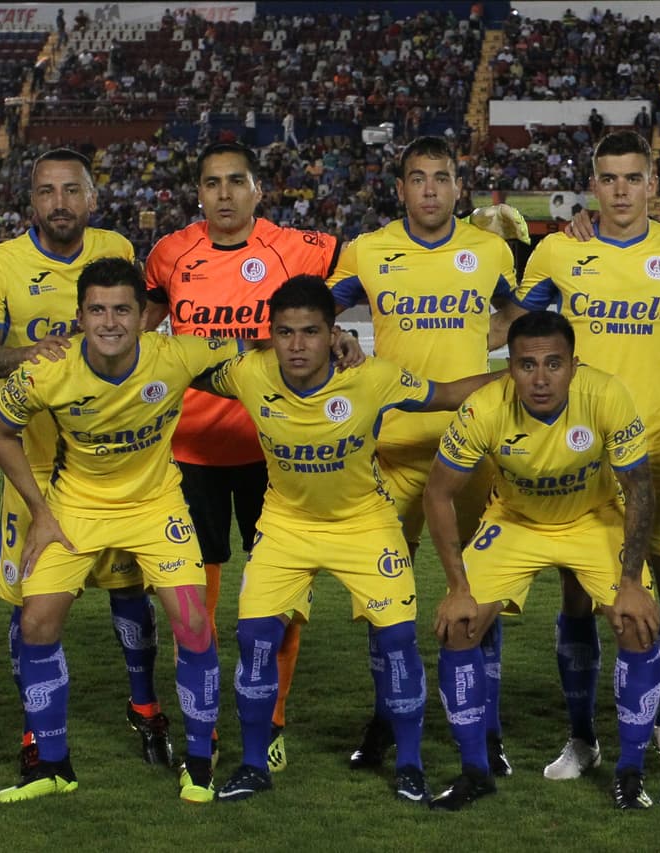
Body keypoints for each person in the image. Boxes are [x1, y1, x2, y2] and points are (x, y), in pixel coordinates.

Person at [196, 275, 500, 803]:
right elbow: (186, 366)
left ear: (333, 332)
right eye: (285, 332)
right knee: (254, 640)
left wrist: (517, 373)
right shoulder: (249, 372)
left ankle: (408, 765)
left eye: (310, 332)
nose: (296, 345)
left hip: (363, 524)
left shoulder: (372, 378)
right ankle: (252, 764)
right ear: (271, 334)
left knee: (398, 643)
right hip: (287, 525)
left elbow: (448, 395)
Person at [492, 130, 660, 779]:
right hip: (579, 452)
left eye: (633, 177)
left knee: (653, 593)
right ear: (592, 184)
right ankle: (582, 738)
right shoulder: (557, 251)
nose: (622, 191)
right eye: (609, 178)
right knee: (577, 593)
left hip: (656, 449)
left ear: (653, 183)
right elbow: (510, 330)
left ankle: (655, 722)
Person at [0, 257, 237, 803]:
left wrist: (336, 342)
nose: (110, 321)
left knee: (193, 623)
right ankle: (53, 766)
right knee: (37, 620)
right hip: (74, 507)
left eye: (122, 309)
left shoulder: (180, 354)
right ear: (79, 316)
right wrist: (40, 511)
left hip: (155, 504)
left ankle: (198, 762)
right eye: (96, 309)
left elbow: (264, 350)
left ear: (145, 315)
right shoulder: (46, 370)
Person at [144, 141, 352, 774]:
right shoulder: (170, 254)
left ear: (259, 190)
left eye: (238, 181)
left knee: (281, 600)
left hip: (276, 452)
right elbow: (136, 326)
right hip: (193, 452)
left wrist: (336, 325)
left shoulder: (300, 248)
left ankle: (275, 720)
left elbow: (375, 263)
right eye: (213, 183)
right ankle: (202, 727)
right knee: (194, 607)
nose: (226, 194)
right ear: (199, 193)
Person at [0, 148, 170, 777]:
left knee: (128, 590)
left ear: (90, 197)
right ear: (33, 201)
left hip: (111, 465)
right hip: (32, 467)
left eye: (71, 190)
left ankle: (145, 705)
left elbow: (143, 324)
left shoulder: (114, 248)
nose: (60, 203)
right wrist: (41, 350)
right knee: (29, 603)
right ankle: (36, 733)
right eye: (47, 191)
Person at [329, 136, 517, 775]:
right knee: (386, 595)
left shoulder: (489, 250)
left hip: (470, 452)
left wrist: (494, 337)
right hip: (388, 452)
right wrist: (335, 339)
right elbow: (321, 308)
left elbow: (521, 319)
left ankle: (487, 729)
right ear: (401, 188)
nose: (431, 189)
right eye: (418, 178)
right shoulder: (370, 250)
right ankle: (387, 719)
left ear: (458, 187)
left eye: (441, 177)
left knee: (482, 590)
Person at [425, 311, 660, 810]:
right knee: (459, 626)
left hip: (592, 518)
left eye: (553, 364)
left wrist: (632, 580)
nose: (540, 378)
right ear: (508, 367)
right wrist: (457, 587)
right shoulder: (484, 407)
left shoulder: (607, 395)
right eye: (526, 365)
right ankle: (475, 770)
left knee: (637, 622)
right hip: (516, 520)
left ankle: (630, 772)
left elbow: (638, 488)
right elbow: (438, 494)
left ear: (575, 365)